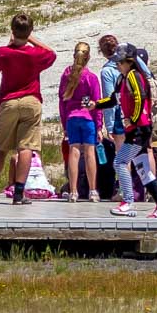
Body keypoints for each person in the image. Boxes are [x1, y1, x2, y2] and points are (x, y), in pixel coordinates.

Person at [85, 42, 157, 219]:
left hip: (139, 129)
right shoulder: (121, 78)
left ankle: (128, 201)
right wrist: (95, 105)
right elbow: (112, 99)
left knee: (119, 162)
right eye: (117, 62)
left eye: (121, 62)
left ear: (130, 61)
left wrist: (133, 119)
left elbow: (140, 99)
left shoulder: (133, 76)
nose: (118, 65)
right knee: (143, 170)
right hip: (135, 129)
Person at [0, 13, 56, 206]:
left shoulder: (2, 52)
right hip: (31, 100)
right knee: (26, 147)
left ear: (12, 31)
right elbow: (52, 53)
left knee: (0, 149)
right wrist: (31, 39)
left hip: (8, 102)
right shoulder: (36, 54)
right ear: (30, 31)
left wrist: (11, 43)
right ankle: (19, 194)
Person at [58, 41, 103, 203]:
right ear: (88, 57)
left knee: (74, 152)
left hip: (72, 117)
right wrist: (99, 126)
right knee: (90, 153)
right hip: (88, 118)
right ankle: (92, 190)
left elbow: (62, 101)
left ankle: (73, 191)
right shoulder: (91, 77)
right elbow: (97, 103)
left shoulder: (66, 75)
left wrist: (64, 124)